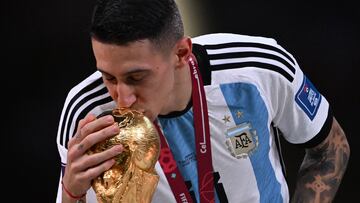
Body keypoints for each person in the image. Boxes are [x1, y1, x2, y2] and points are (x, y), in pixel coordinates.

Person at [56, 0, 350, 202]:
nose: (123, 98)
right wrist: (71, 192)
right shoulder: (86, 112)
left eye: (136, 78)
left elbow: (330, 149)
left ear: (182, 54)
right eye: (108, 77)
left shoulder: (258, 68)